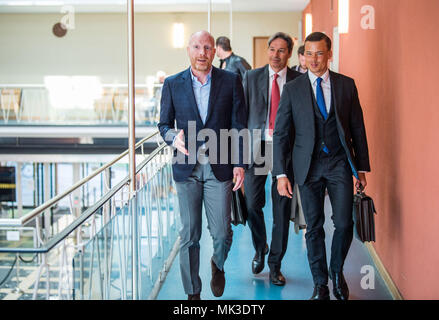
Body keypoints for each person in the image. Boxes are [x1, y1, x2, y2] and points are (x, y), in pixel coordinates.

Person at [273, 32, 371, 300]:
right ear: (302, 56)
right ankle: (320, 284)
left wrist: (360, 168)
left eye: (320, 53)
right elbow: (281, 133)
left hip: (339, 162)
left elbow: (357, 128)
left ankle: (336, 273)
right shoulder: (292, 89)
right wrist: (281, 173)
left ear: (330, 54)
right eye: (309, 53)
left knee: (343, 223)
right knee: (314, 227)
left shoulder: (346, 85)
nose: (314, 59)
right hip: (307, 165)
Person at [158, 30, 247, 300]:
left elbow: (239, 125)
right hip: (186, 168)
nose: (202, 53)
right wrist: (174, 137)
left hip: (220, 166)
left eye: (207, 47)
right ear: (188, 50)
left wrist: (239, 163)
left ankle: (217, 265)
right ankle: (192, 293)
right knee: (189, 234)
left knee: (221, 232)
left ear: (214, 51)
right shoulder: (173, 84)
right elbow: (163, 125)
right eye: (197, 47)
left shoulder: (231, 81)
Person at [242, 32, 301, 286]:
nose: (276, 55)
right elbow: (240, 115)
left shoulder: (299, 81)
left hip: (285, 152)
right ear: (267, 50)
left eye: (281, 50)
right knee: (253, 205)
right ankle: (260, 247)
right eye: (272, 49)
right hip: (257, 149)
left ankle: (275, 264)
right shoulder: (251, 77)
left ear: (289, 53)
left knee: (281, 210)